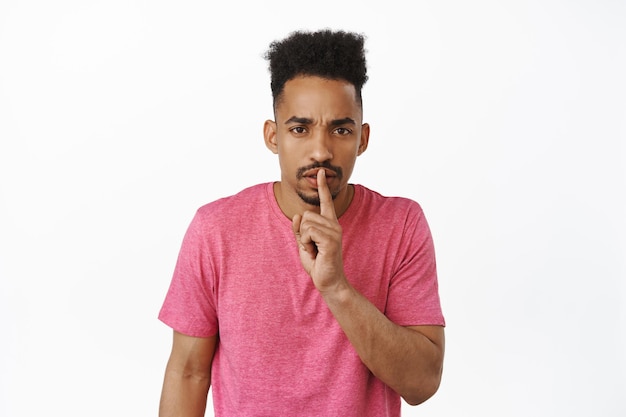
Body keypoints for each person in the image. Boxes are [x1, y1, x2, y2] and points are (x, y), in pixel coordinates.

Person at [158, 29, 445, 417]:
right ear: (273, 136)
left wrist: (336, 288)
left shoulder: (401, 225)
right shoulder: (216, 229)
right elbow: (189, 373)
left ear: (362, 139)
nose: (321, 150)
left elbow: (422, 384)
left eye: (340, 129)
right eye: (300, 128)